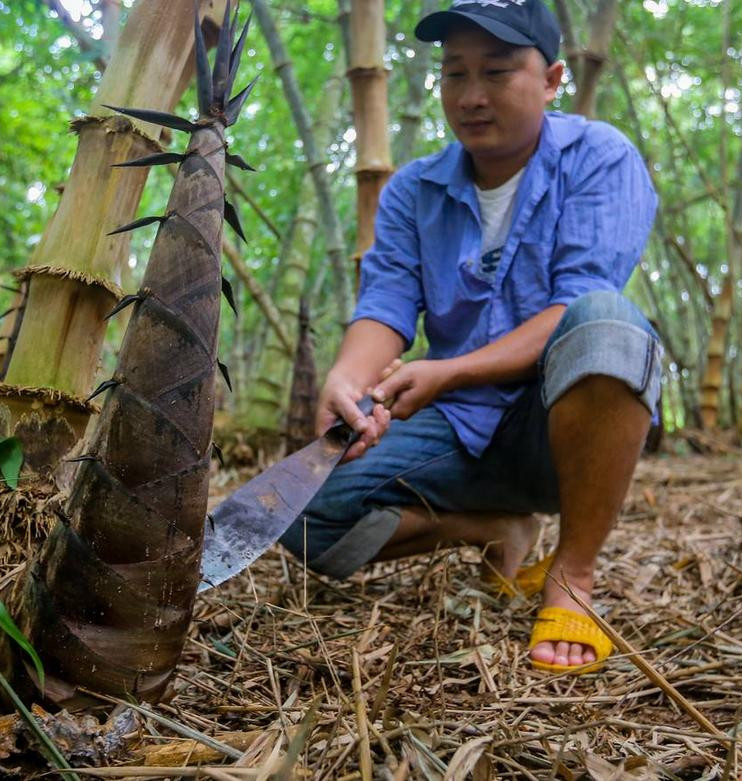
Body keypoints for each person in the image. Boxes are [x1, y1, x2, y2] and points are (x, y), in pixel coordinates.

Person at [280, 0, 660, 674]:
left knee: (608, 321)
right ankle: (496, 525)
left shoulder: (600, 158)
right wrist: (347, 378)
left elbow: (575, 304)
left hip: (558, 422)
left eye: (498, 71)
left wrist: (447, 372)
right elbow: (386, 306)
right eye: (454, 74)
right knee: (300, 512)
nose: (472, 95)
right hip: (456, 426)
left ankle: (573, 575)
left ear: (550, 79)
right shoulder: (412, 192)